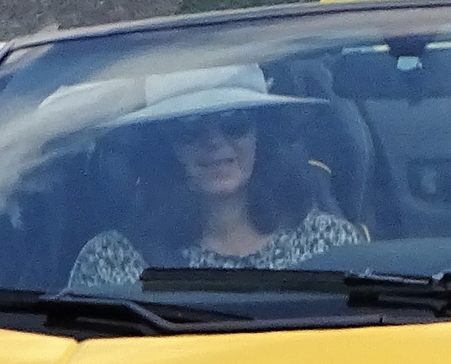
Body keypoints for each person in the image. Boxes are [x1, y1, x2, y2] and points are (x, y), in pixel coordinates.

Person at [68, 70, 365, 286]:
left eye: (233, 123)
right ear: (161, 148)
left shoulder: (331, 243)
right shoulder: (111, 260)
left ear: (263, 137)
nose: (213, 142)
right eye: (189, 127)